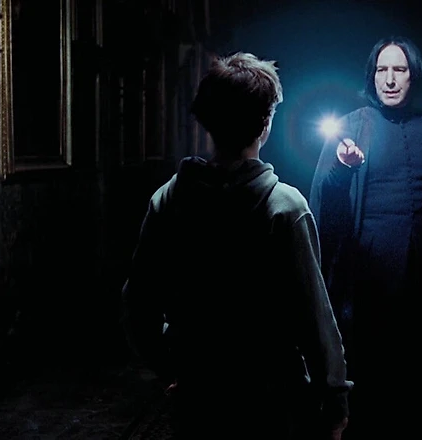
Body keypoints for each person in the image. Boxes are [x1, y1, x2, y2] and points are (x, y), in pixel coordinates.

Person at [121, 51, 352, 440]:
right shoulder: (285, 208)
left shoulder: (169, 200)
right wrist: (334, 399)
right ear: (266, 123)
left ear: (209, 122)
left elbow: (137, 302)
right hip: (271, 400)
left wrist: (168, 365)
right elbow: (314, 318)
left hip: (199, 395)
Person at [308, 36, 422, 438]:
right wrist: (342, 169)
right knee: (371, 379)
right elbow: (325, 205)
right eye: (382, 70)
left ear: (414, 76)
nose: (390, 80)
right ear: (372, 76)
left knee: (417, 378)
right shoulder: (352, 127)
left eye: (399, 69)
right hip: (367, 279)